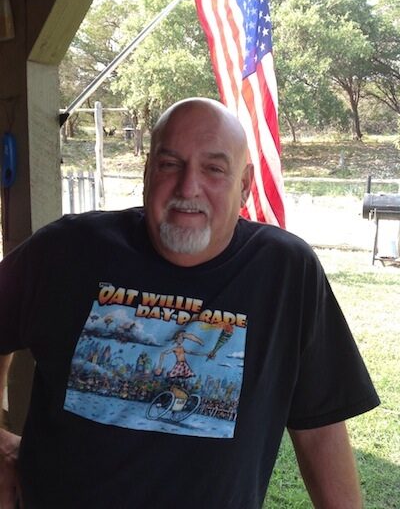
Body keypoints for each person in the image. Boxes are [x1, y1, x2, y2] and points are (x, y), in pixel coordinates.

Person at [0, 97, 379, 508]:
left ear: (245, 184)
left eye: (213, 169)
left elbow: (320, 429)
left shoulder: (286, 271)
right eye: (170, 164)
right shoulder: (67, 249)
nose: (188, 187)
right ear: (148, 171)